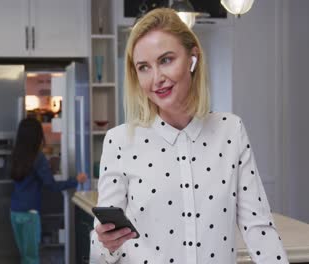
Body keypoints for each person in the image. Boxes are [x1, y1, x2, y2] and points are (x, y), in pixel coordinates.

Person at [90, 8, 288, 264]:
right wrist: (106, 243)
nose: (157, 78)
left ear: (192, 58)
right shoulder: (120, 141)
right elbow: (102, 248)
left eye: (166, 60)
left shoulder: (230, 130)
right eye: (144, 67)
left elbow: (258, 228)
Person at [10, 118, 87, 264]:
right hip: (30, 214)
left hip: (14, 211)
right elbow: (52, 185)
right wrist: (76, 180)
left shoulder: (16, 155)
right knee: (31, 258)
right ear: (37, 136)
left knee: (24, 256)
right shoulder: (38, 158)